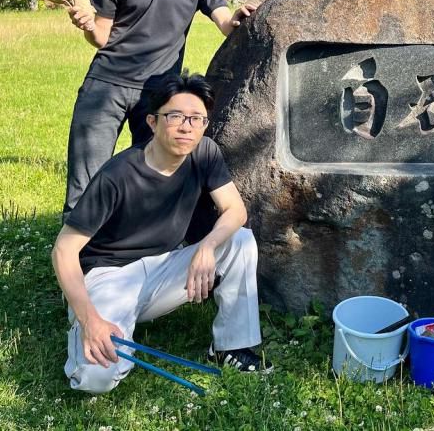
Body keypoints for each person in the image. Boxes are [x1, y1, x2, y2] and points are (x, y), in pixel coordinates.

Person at [51, 73, 270, 394]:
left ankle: (231, 348)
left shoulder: (204, 152)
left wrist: (206, 248)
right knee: (96, 379)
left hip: (165, 266)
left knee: (238, 239)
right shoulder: (118, 175)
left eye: (197, 119)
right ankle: (89, 327)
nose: (187, 127)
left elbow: (235, 211)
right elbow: (63, 251)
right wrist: (90, 320)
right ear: (152, 122)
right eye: (176, 117)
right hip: (109, 278)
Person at [64, 0, 253, 216]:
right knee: (87, 177)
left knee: (150, 173)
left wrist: (238, 18)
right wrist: (87, 25)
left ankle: (138, 246)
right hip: (106, 84)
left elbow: (225, 22)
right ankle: (75, 257)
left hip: (157, 93)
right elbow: (101, 38)